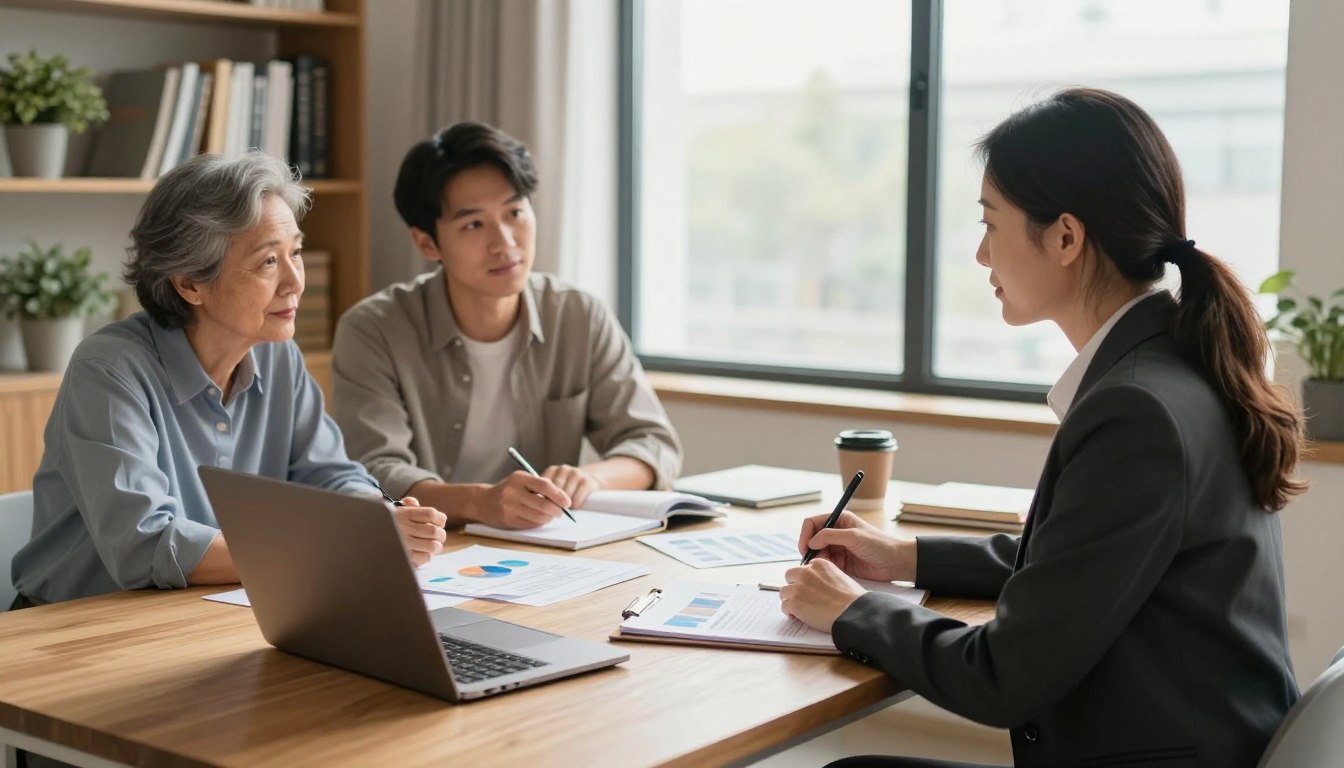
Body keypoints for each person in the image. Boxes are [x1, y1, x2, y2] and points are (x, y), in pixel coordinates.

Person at [780, 88, 1303, 768]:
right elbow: (1075, 566)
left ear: (1064, 236)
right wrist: (904, 557)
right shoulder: (1179, 369)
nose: (980, 256)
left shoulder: (1137, 411)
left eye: (990, 224)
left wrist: (853, 610)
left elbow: (1002, 677)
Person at [11, 153, 447, 608]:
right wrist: (350, 540)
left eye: (294, 252)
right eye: (266, 263)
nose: (295, 281)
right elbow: (146, 546)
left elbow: (330, 475)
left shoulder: (279, 356)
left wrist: (378, 517)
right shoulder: (109, 371)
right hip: (73, 629)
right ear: (189, 283)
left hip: (206, 611)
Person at [331, 122, 681, 530]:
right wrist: (482, 503)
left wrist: (590, 479)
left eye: (514, 213)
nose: (505, 242)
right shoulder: (373, 330)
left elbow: (653, 444)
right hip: (430, 549)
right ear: (427, 243)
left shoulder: (578, 315)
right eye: (474, 224)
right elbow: (374, 471)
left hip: (544, 549)